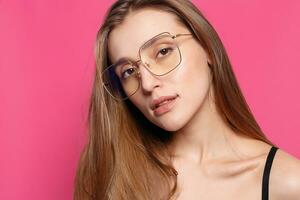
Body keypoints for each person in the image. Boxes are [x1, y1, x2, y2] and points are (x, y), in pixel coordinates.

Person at [74, 0, 300, 199]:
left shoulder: (288, 182)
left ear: (208, 48)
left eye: (163, 52)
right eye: (129, 72)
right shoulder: (115, 177)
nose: (147, 84)